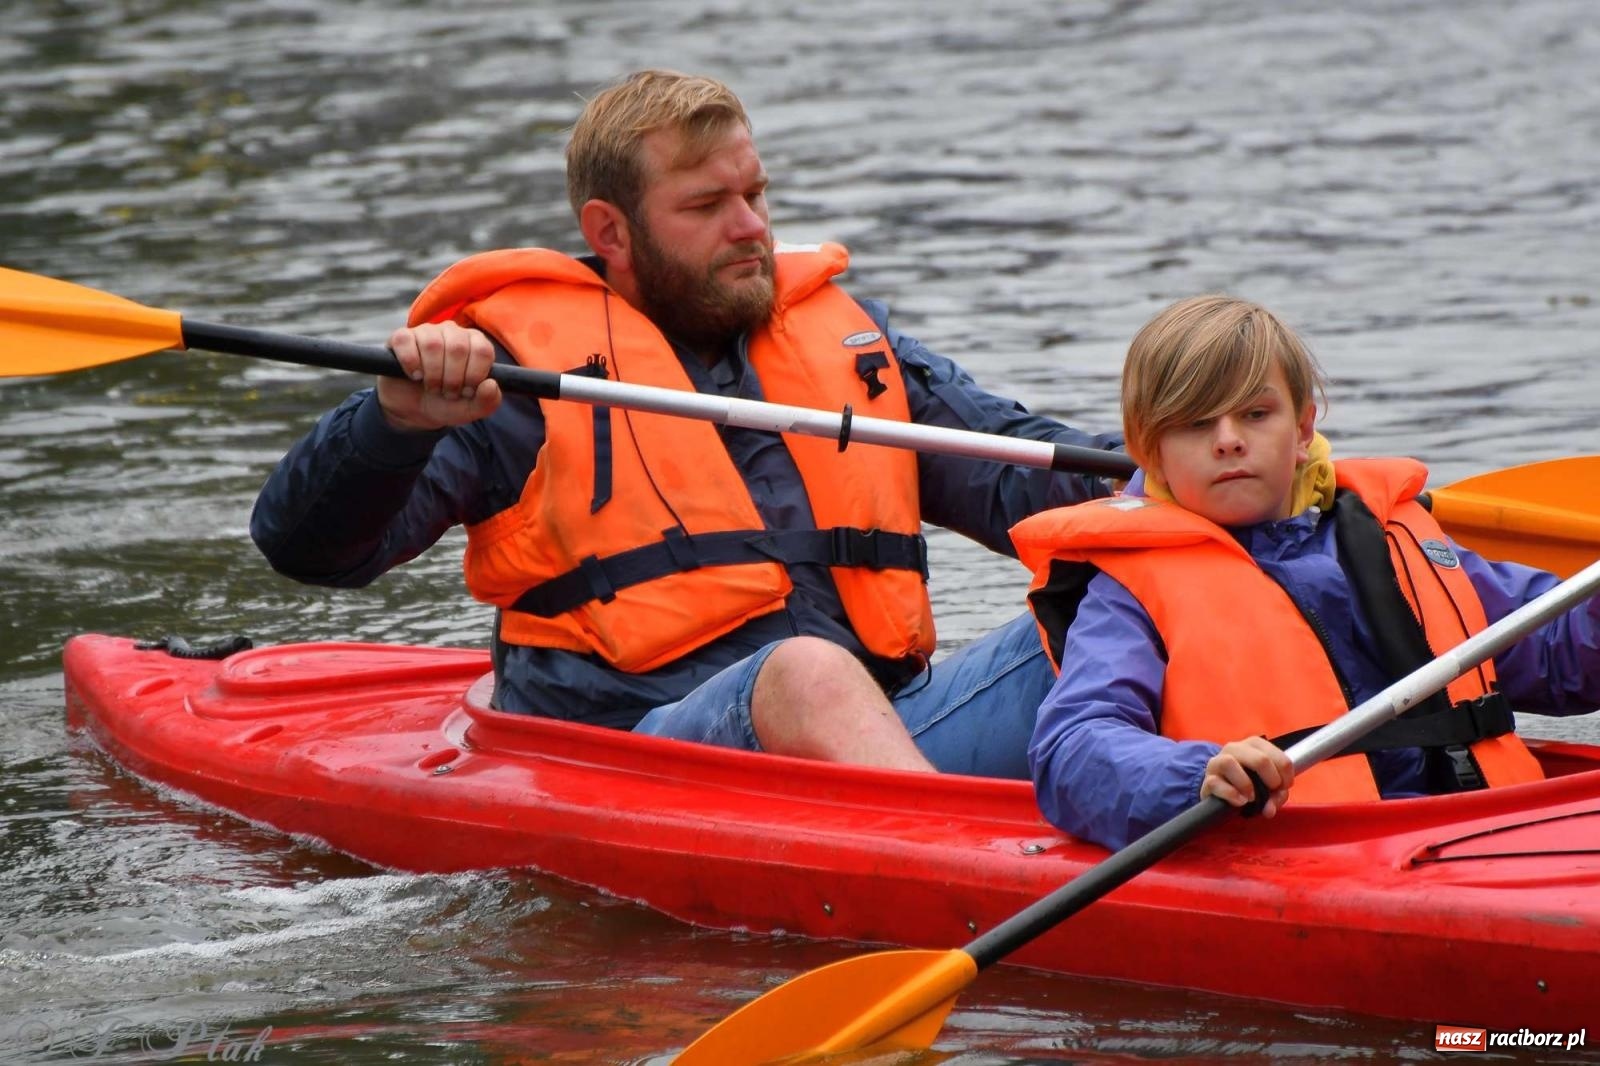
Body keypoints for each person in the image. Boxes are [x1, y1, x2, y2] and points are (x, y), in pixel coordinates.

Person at [250, 69, 1122, 778]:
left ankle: (1224, 800)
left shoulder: (849, 342)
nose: (751, 229)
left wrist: (1176, 473)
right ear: (611, 232)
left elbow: (1027, 476)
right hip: (642, 758)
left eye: (755, 194)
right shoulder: (513, 376)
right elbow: (310, 547)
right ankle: (961, 874)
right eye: (707, 207)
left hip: (884, 735)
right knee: (809, 670)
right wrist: (392, 423)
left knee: (1130, 595)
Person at [1011, 295, 1600, 849]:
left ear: (1302, 430)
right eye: (1195, 424)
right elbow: (1072, 750)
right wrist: (1196, 775)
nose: (1229, 441)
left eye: (1256, 414)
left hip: (1489, 830)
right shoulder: (1129, 593)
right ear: (1148, 448)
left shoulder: (1394, 539)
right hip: (1311, 850)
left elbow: (1559, 653)